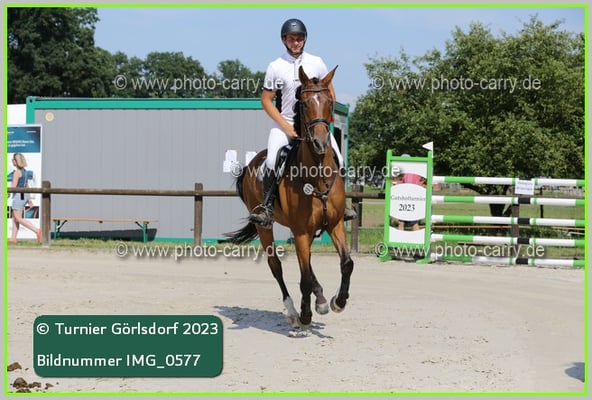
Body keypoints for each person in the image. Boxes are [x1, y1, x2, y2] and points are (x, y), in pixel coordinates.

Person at [249, 18, 357, 228]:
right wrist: (285, 126)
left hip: (314, 126)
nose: (296, 42)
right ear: (284, 40)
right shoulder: (275, 66)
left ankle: (341, 205)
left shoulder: (317, 62)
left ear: (305, 40)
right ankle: (267, 208)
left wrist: (324, 121)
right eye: (292, 39)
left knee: (339, 159)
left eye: (299, 39)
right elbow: (266, 100)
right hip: (286, 123)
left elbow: (329, 92)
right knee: (271, 160)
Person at [9, 153, 42, 244]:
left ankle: (37, 231)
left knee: (18, 218)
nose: (12, 161)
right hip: (24, 196)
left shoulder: (16, 173)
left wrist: (7, 193)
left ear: (17, 161)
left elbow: (13, 187)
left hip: (18, 196)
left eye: (13, 159)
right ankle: (13, 238)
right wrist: (29, 199)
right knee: (15, 218)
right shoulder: (25, 172)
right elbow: (27, 186)